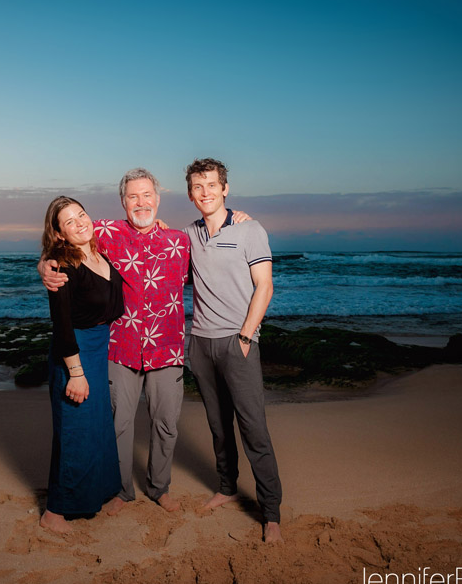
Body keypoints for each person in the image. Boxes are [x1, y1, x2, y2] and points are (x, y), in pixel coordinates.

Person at [40, 169, 191, 514]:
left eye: (147, 195)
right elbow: (62, 247)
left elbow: (214, 272)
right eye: (133, 197)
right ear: (123, 202)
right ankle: (120, 491)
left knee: (166, 423)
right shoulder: (103, 232)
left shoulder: (180, 242)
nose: (141, 203)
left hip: (167, 346)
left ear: (158, 198)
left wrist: (236, 220)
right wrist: (45, 267)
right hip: (120, 346)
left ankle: (159, 487)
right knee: (117, 424)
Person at [183, 158, 283, 543]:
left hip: (236, 342)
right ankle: (227, 487)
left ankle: (271, 512)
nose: (205, 192)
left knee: (253, 428)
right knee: (218, 426)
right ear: (190, 194)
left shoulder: (250, 229)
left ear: (225, 188)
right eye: (197, 186)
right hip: (201, 344)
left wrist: (245, 336)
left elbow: (265, 286)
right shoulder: (188, 235)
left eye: (211, 185)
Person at [39, 196, 123, 534]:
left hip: (98, 349)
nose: (80, 223)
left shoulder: (99, 253)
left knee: (98, 429)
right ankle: (55, 512)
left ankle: (98, 495)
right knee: (74, 433)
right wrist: (75, 373)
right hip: (74, 353)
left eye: (82, 214)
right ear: (59, 234)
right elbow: (62, 325)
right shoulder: (61, 265)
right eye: (69, 221)